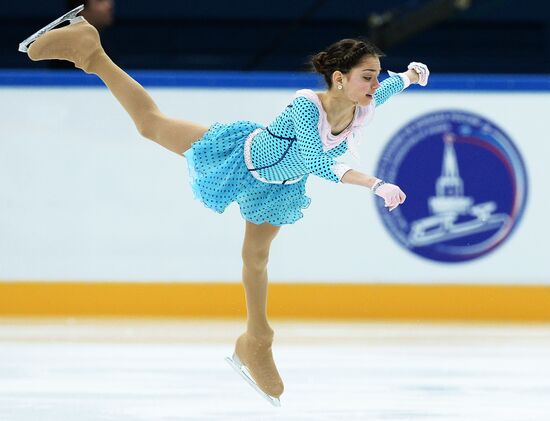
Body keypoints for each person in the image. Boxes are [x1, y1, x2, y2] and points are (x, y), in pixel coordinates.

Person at [20, 8, 429, 406]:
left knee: (255, 258)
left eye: (375, 76)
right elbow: (318, 161)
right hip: (239, 158)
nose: (375, 84)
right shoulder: (307, 106)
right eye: (367, 77)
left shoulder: (364, 104)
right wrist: (375, 183)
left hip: (278, 188)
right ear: (339, 79)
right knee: (151, 124)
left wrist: (410, 76)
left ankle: (257, 340)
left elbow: (391, 87)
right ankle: (92, 51)